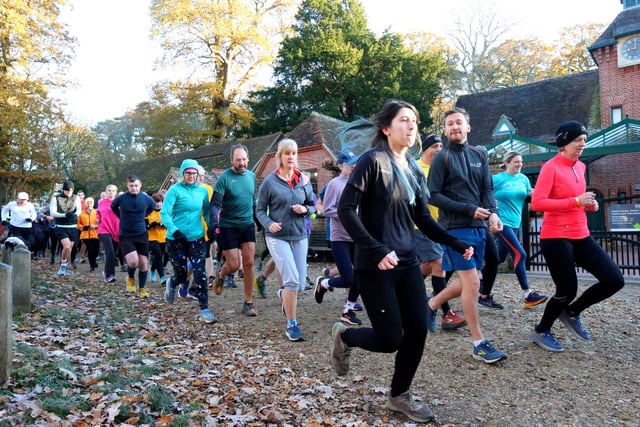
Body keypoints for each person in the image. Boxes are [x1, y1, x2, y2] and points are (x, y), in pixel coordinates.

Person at [332, 100, 473, 423]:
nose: (412, 127)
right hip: (374, 264)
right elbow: (346, 210)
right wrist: (377, 249)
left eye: (415, 122)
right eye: (404, 121)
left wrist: (454, 241)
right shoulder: (372, 161)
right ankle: (345, 335)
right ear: (386, 128)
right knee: (389, 339)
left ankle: (399, 395)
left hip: (408, 261)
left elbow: (423, 218)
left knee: (418, 330)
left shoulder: (412, 167)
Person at [529, 120, 625, 351]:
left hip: (580, 233)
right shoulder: (550, 167)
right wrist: (575, 201)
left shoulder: (580, 167)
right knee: (567, 289)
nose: (582, 144)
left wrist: (587, 204)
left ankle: (571, 312)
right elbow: (538, 203)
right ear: (564, 143)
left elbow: (578, 198)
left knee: (614, 280)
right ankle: (541, 330)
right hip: (555, 236)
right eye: (577, 140)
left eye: (584, 140)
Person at [426, 107, 507, 364]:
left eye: (458, 123)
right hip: (454, 229)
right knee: (472, 284)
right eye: (449, 124)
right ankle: (479, 342)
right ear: (446, 129)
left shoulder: (479, 154)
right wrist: (469, 209)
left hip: (479, 228)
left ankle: (429, 305)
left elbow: (487, 189)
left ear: (468, 127)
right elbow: (433, 195)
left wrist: (493, 213)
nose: (454, 127)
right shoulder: (442, 157)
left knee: (468, 280)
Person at [256, 138, 317, 341]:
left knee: (299, 285)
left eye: (294, 153)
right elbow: (259, 209)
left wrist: (304, 210)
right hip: (277, 236)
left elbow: (313, 205)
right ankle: (292, 325)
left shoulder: (304, 181)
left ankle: (284, 295)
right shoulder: (269, 182)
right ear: (280, 157)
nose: (291, 157)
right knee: (291, 280)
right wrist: (268, 223)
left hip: (299, 235)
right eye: (287, 153)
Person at [478, 151, 547, 309]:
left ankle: (480, 279)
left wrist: (539, 193)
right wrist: (487, 214)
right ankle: (528, 294)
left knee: (499, 258)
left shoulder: (523, 179)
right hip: (503, 222)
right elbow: (484, 194)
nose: (519, 164)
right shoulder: (498, 179)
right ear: (507, 163)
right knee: (520, 253)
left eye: (521, 161)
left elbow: (530, 194)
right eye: (516, 162)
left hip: (516, 223)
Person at [416, 134, 466, 331]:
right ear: (425, 149)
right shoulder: (415, 168)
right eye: (434, 146)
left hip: (440, 225)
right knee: (438, 263)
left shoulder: (442, 168)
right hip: (419, 225)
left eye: (440, 146)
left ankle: (403, 291)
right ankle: (446, 313)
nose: (438, 149)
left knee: (428, 266)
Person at [162, 159, 217, 323]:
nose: (192, 176)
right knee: (181, 273)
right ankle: (172, 283)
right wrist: (175, 230)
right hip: (176, 238)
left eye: (194, 173)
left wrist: (210, 230)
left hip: (196, 237)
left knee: (200, 273)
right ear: (182, 174)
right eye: (188, 173)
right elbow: (164, 213)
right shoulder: (174, 190)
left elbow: (206, 212)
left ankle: (205, 309)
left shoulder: (202, 192)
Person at [210, 144, 259, 317]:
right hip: (228, 226)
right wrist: (213, 223)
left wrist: (258, 220)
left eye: (244, 159)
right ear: (232, 160)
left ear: (248, 158)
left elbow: (252, 201)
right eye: (238, 160)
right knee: (233, 265)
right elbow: (215, 204)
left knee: (249, 262)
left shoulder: (252, 177)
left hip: (246, 224)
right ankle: (222, 273)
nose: (242, 163)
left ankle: (248, 301)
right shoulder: (224, 178)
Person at [314, 151, 362, 326]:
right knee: (348, 278)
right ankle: (324, 283)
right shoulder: (334, 184)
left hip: (356, 237)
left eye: (356, 162)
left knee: (360, 276)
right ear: (341, 166)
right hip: (339, 237)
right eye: (350, 163)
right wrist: (348, 214)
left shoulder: (359, 183)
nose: (354, 166)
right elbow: (327, 210)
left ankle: (347, 311)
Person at [111, 175, 156, 297]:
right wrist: (121, 216)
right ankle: (130, 278)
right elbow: (113, 207)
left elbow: (153, 206)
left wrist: (144, 215)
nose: (134, 188)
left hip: (141, 233)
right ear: (127, 186)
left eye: (136, 185)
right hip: (126, 234)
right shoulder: (121, 198)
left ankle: (141, 288)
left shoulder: (145, 198)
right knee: (133, 262)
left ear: (140, 185)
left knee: (143, 263)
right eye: (131, 186)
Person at [49, 181, 82, 276]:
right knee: (66, 246)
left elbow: (79, 210)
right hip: (61, 227)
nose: (69, 192)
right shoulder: (56, 198)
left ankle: (64, 266)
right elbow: (52, 213)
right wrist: (64, 215)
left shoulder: (76, 198)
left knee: (69, 249)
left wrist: (74, 215)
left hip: (73, 227)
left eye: (71, 190)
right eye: (67, 190)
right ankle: (62, 267)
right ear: (64, 190)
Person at [97, 184, 121, 283]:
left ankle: (106, 272)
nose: (111, 192)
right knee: (110, 252)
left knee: (113, 254)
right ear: (106, 192)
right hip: (104, 229)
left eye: (113, 191)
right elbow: (98, 212)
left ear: (116, 193)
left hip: (116, 230)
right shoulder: (101, 202)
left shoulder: (119, 203)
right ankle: (110, 275)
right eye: (109, 191)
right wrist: (97, 218)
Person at [146, 192, 167, 284]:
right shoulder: (148, 211)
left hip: (164, 237)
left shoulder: (165, 211)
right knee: (158, 255)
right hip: (152, 237)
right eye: (156, 202)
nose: (158, 204)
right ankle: (162, 277)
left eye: (160, 202)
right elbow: (144, 225)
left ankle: (153, 269)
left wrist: (163, 224)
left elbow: (169, 224)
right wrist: (151, 225)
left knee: (160, 256)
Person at [77, 197, 100, 272]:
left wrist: (96, 226)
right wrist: (83, 227)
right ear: (85, 204)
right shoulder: (81, 213)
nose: (89, 204)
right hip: (85, 235)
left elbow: (101, 223)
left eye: (91, 202)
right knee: (91, 249)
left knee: (96, 250)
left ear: (93, 204)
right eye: (88, 202)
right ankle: (92, 266)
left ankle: (94, 260)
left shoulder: (97, 212)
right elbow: (78, 224)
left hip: (96, 234)